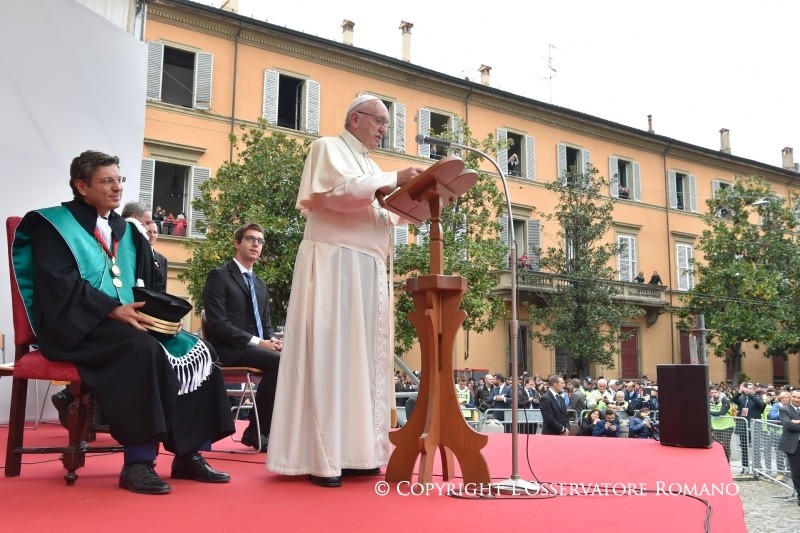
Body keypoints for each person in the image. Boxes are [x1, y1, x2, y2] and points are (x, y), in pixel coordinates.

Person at [12, 150, 234, 494]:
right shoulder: (52, 226)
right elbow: (59, 284)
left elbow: (147, 286)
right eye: (107, 181)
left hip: (125, 324)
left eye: (120, 180)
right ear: (81, 186)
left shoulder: (128, 232)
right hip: (74, 326)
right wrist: (111, 310)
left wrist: (162, 318)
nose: (117, 188)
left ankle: (188, 454)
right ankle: (138, 463)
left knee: (197, 349)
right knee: (142, 350)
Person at [266, 94, 423, 488]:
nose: (384, 129)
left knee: (363, 363)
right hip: (335, 263)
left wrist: (420, 197)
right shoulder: (327, 147)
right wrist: (394, 178)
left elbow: (382, 211)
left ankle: (358, 452)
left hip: (368, 269)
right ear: (356, 118)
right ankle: (324, 456)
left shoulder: (372, 166)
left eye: (386, 123)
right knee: (331, 355)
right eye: (379, 121)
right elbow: (338, 195)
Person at [203, 223, 283, 452]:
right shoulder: (219, 276)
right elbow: (218, 325)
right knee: (279, 363)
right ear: (237, 243)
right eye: (250, 239)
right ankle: (258, 432)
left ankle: (277, 431)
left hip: (254, 350)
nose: (256, 244)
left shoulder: (260, 284)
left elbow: (266, 325)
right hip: (227, 349)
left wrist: (273, 341)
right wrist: (259, 342)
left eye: (260, 241)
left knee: (295, 359)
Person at [732, 382, 766, 474]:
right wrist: (740, 391)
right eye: (747, 388)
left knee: (756, 449)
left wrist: (750, 394)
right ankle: (745, 468)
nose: (748, 390)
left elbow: (761, 405)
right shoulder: (741, 398)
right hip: (743, 427)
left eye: (750, 388)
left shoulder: (758, 398)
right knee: (744, 448)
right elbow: (733, 399)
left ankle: (757, 469)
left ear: (754, 390)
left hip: (754, 427)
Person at [777, 389, 800, 506]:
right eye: (794, 397)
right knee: (797, 472)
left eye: (799, 398)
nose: (796, 399)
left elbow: (793, 425)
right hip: (793, 445)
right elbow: (788, 425)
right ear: (791, 397)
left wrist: (796, 421)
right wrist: (792, 423)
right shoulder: (784, 409)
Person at [710, 385, 735, 462]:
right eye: (712, 392)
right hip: (715, 427)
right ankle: (717, 461)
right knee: (715, 446)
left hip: (727, 426)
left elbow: (722, 412)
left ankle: (727, 462)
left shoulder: (725, 400)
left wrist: (709, 412)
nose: (714, 394)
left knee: (725, 445)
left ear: (719, 392)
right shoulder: (709, 400)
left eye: (715, 392)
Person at [147, 222, 168, 292]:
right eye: (149, 232)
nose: (152, 235)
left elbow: (163, 287)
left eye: (155, 232)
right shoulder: (137, 254)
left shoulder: (162, 260)